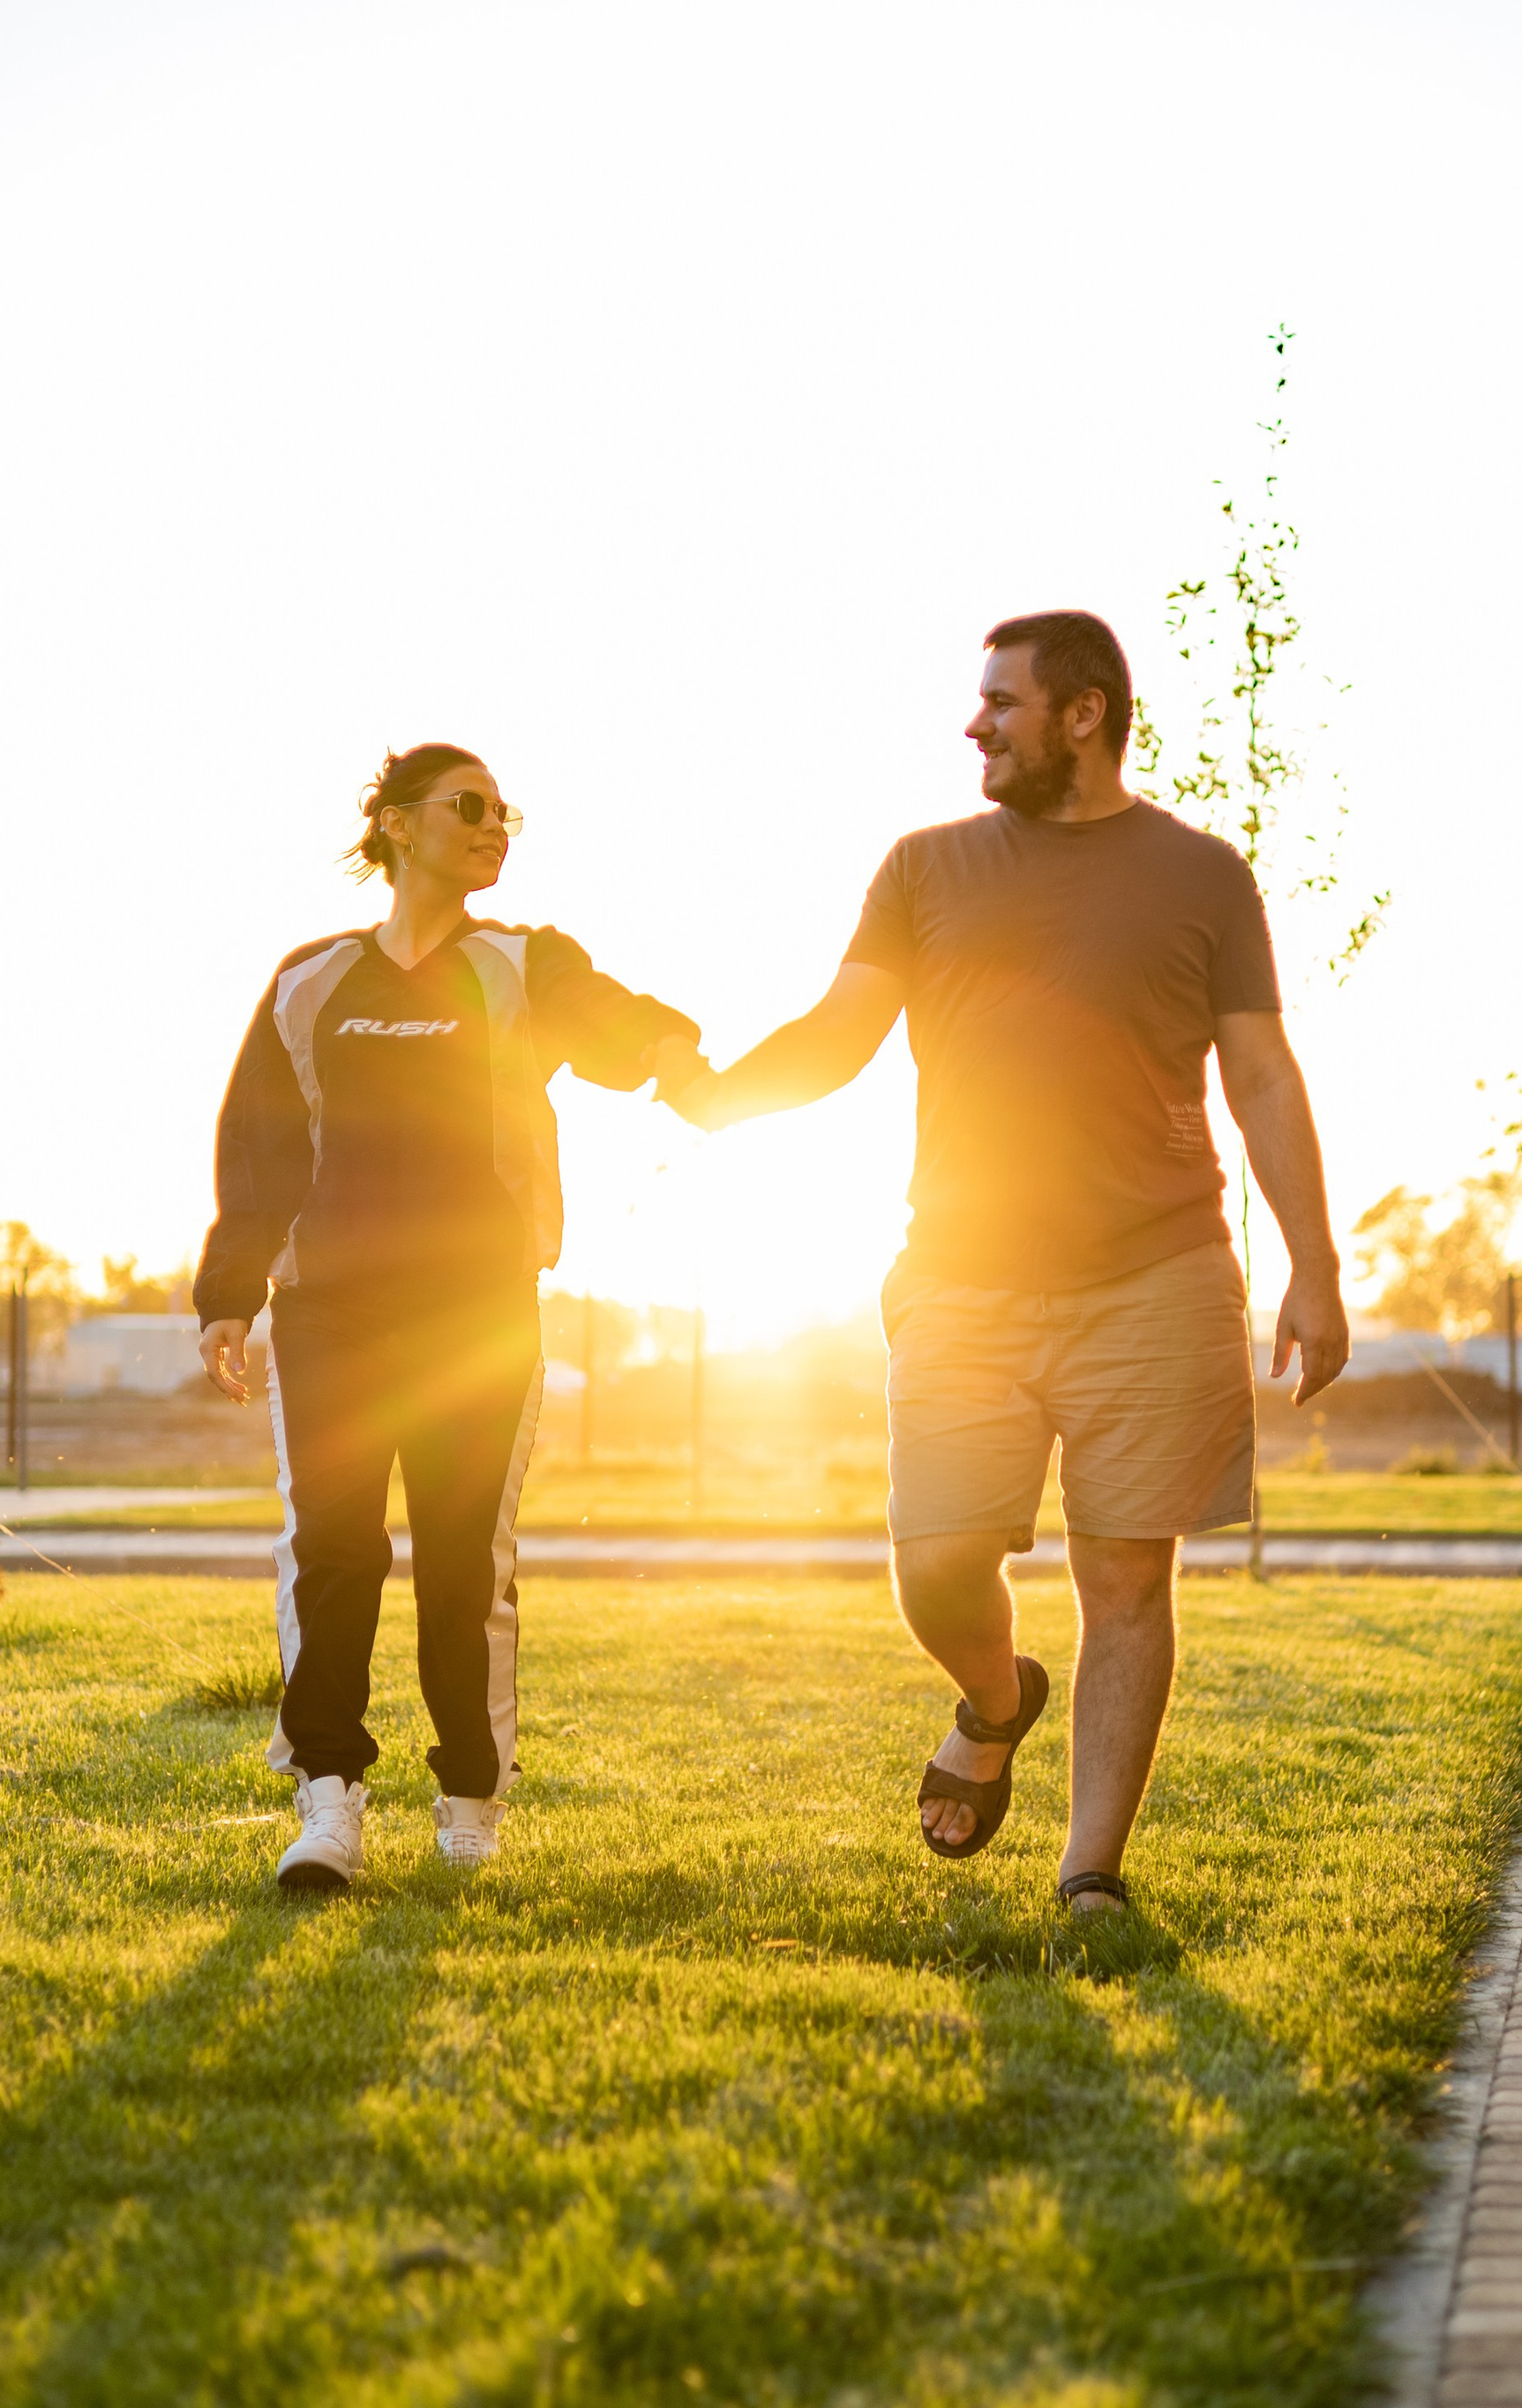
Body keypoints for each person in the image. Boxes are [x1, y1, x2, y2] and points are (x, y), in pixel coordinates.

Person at [676, 610, 1348, 1914]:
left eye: (1002, 703)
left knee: (1125, 1574)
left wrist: (1312, 1265)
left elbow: (1261, 1073)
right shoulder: (925, 869)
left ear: (1083, 715)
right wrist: (723, 1096)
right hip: (962, 1275)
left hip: (1158, 1271)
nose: (974, 724)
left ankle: (1091, 1869)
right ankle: (997, 1696)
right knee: (933, 1558)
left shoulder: (1204, 876)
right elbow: (842, 1027)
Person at [195, 744, 708, 1895]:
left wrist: (672, 1050)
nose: (493, 826)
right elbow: (260, 1155)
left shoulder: (522, 967)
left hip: (476, 1314)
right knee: (330, 1550)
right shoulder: (310, 982)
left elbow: (612, 1022)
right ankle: (328, 1804)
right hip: (328, 1309)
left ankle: (469, 1794)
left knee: (464, 1564)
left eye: (503, 811)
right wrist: (230, 1294)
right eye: (467, 807)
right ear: (395, 825)